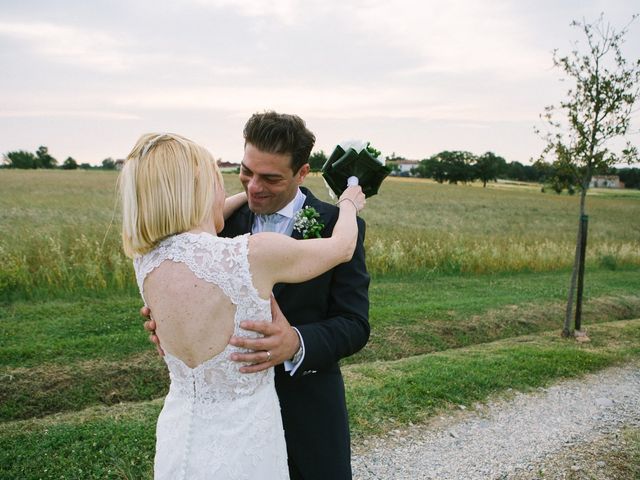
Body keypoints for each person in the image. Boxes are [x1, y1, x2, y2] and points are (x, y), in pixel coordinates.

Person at [121, 131, 365, 479]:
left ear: (300, 174)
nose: (251, 188)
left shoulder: (145, 259)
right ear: (199, 190)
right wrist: (350, 202)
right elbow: (342, 247)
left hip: (183, 433)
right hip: (246, 438)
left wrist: (297, 342)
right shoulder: (249, 252)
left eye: (269, 178)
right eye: (241, 176)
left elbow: (354, 322)